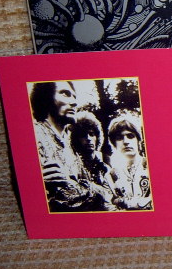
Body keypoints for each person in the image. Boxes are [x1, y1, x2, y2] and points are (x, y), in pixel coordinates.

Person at [30, 81, 92, 211]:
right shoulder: (32, 134)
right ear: (46, 98)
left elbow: (90, 187)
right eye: (65, 94)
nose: (74, 102)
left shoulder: (71, 146)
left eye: (74, 97)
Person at [69, 111, 115, 211]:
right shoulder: (72, 166)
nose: (88, 138)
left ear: (97, 137)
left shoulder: (106, 166)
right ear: (75, 139)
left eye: (91, 134)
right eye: (83, 135)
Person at [106, 113, 152, 210]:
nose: (125, 141)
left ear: (138, 140)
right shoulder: (110, 176)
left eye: (130, 136)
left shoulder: (152, 167)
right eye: (119, 138)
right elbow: (109, 207)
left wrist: (122, 202)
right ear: (114, 144)